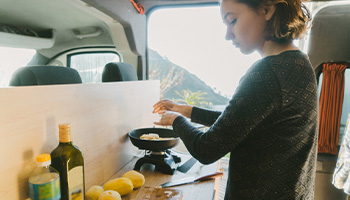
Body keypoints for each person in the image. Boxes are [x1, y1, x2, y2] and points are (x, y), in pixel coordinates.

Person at [153, 0, 318, 199]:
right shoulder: (299, 63)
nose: (228, 35)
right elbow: (240, 122)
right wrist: (185, 111)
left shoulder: (267, 73)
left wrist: (175, 120)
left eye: (232, 21)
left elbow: (207, 149)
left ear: (267, 9)